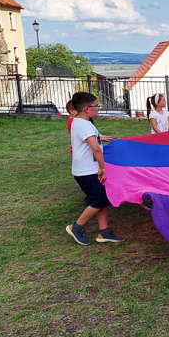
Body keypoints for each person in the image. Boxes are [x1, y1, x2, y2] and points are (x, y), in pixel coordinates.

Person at [66, 92, 125, 246]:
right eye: (96, 106)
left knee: (102, 198)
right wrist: (102, 167)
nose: (98, 108)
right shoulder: (84, 124)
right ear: (86, 109)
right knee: (99, 200)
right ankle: (76, 226)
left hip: (86, 169)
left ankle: (103, 230)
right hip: (87, 171)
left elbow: (85, 141)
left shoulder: (79, 121)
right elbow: (96, 149)